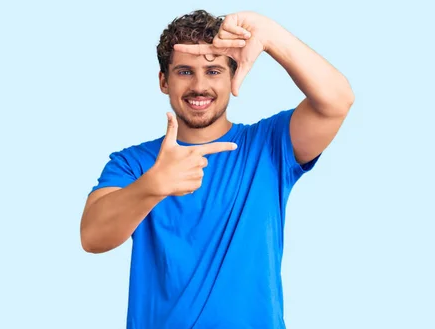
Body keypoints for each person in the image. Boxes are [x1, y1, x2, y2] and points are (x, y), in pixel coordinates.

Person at [80, 9, 355, 329]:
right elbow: (92, 237)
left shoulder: (269, 145)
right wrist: (152, 185)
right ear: (163, 81)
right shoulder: (133, 163)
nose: (199, 86)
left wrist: (270, 35)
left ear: (233, 75)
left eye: (213, 71)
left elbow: (337, 101)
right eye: (184, 71)